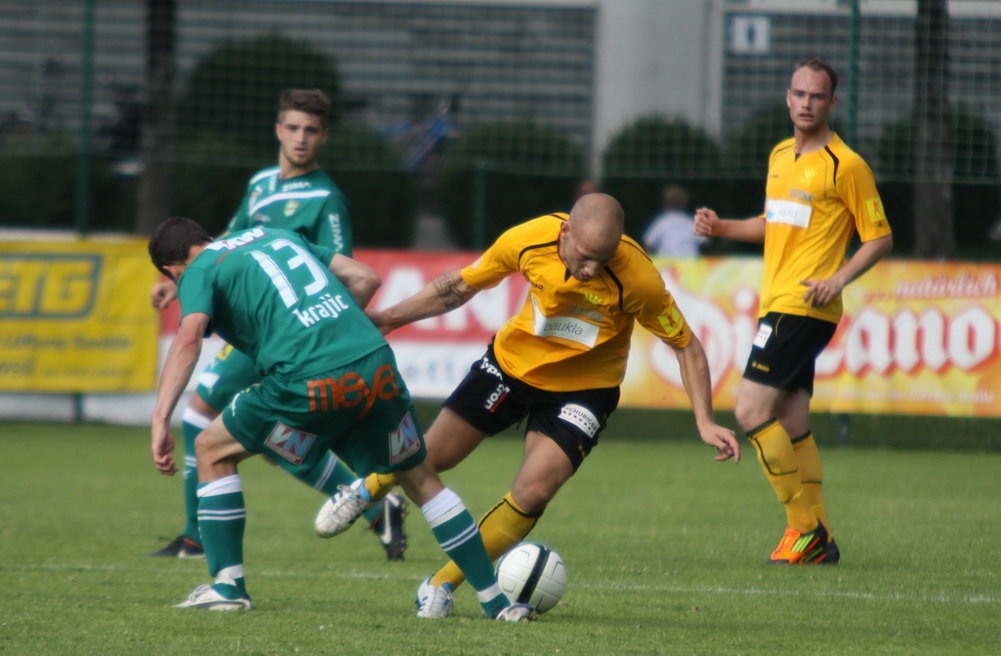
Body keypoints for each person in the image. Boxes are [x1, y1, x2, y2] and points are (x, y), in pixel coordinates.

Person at [314, 192, 740, 618]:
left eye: (603, 259)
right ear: (565, 231)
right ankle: (367, 489)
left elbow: (686, 346)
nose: (591, 270)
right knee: (432, 457)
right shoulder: (528, 240)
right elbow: (461, 285)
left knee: (534, 491)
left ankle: (440, 585)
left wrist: (704, 421)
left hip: (585, 390)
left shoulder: (639, 279)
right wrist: (390, 318)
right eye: (585, 256)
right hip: (511, 367)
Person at [147, 217, 536, 621]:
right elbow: (366, 277)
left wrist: (160, 418)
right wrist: (332, 330)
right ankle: (497, 603)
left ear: (171, 270)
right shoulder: (276, 235)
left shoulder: (198, 270)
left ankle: (228, 587)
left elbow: (189, 337)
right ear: (206, 236)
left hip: (304, 378)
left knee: (211, 448)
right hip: (373, 361)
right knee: (421, 480)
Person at [148, 89, 407, 562]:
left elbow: (342, 274)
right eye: (292, 127)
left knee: (200, 417)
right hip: (256, 326)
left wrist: (316, 335)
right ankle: (375, 505)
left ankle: (196, 538)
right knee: (274, 443)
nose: (300, 138)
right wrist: (179, 286)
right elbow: (223, 242)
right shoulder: (261, 183)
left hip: (286, 331)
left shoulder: (327, 199)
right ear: (278, 130)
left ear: (324, 136)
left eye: (311, 130)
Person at [693, 58, 893, 565]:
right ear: (788, 98)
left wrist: (837, 279)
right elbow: (774, 221)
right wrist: (721, 228)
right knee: (792, 418)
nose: (806, 103)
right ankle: (820, 535)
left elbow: (880, 238)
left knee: (749, 411)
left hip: (804, 306)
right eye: (799, 94)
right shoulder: (781, 154)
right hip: (780, 303)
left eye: (817, 96)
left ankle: (804, 530)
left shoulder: (845, 165)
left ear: (832, 103)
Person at [642, 184, 706, 258]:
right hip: (689, 263)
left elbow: (648, 243)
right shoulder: (691, 222)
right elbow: (705, 242)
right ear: (685, 205)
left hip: (667, 262)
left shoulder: (662, 222)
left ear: (665, 204)